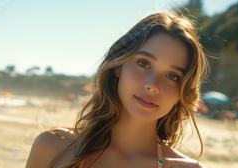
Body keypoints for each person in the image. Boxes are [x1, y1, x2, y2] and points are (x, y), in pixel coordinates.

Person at [26, 12, 209, 168]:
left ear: (182, 92)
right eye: (143, 63)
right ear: (118, 66)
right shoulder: (52, 146)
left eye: (172, 76)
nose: (152, 85)